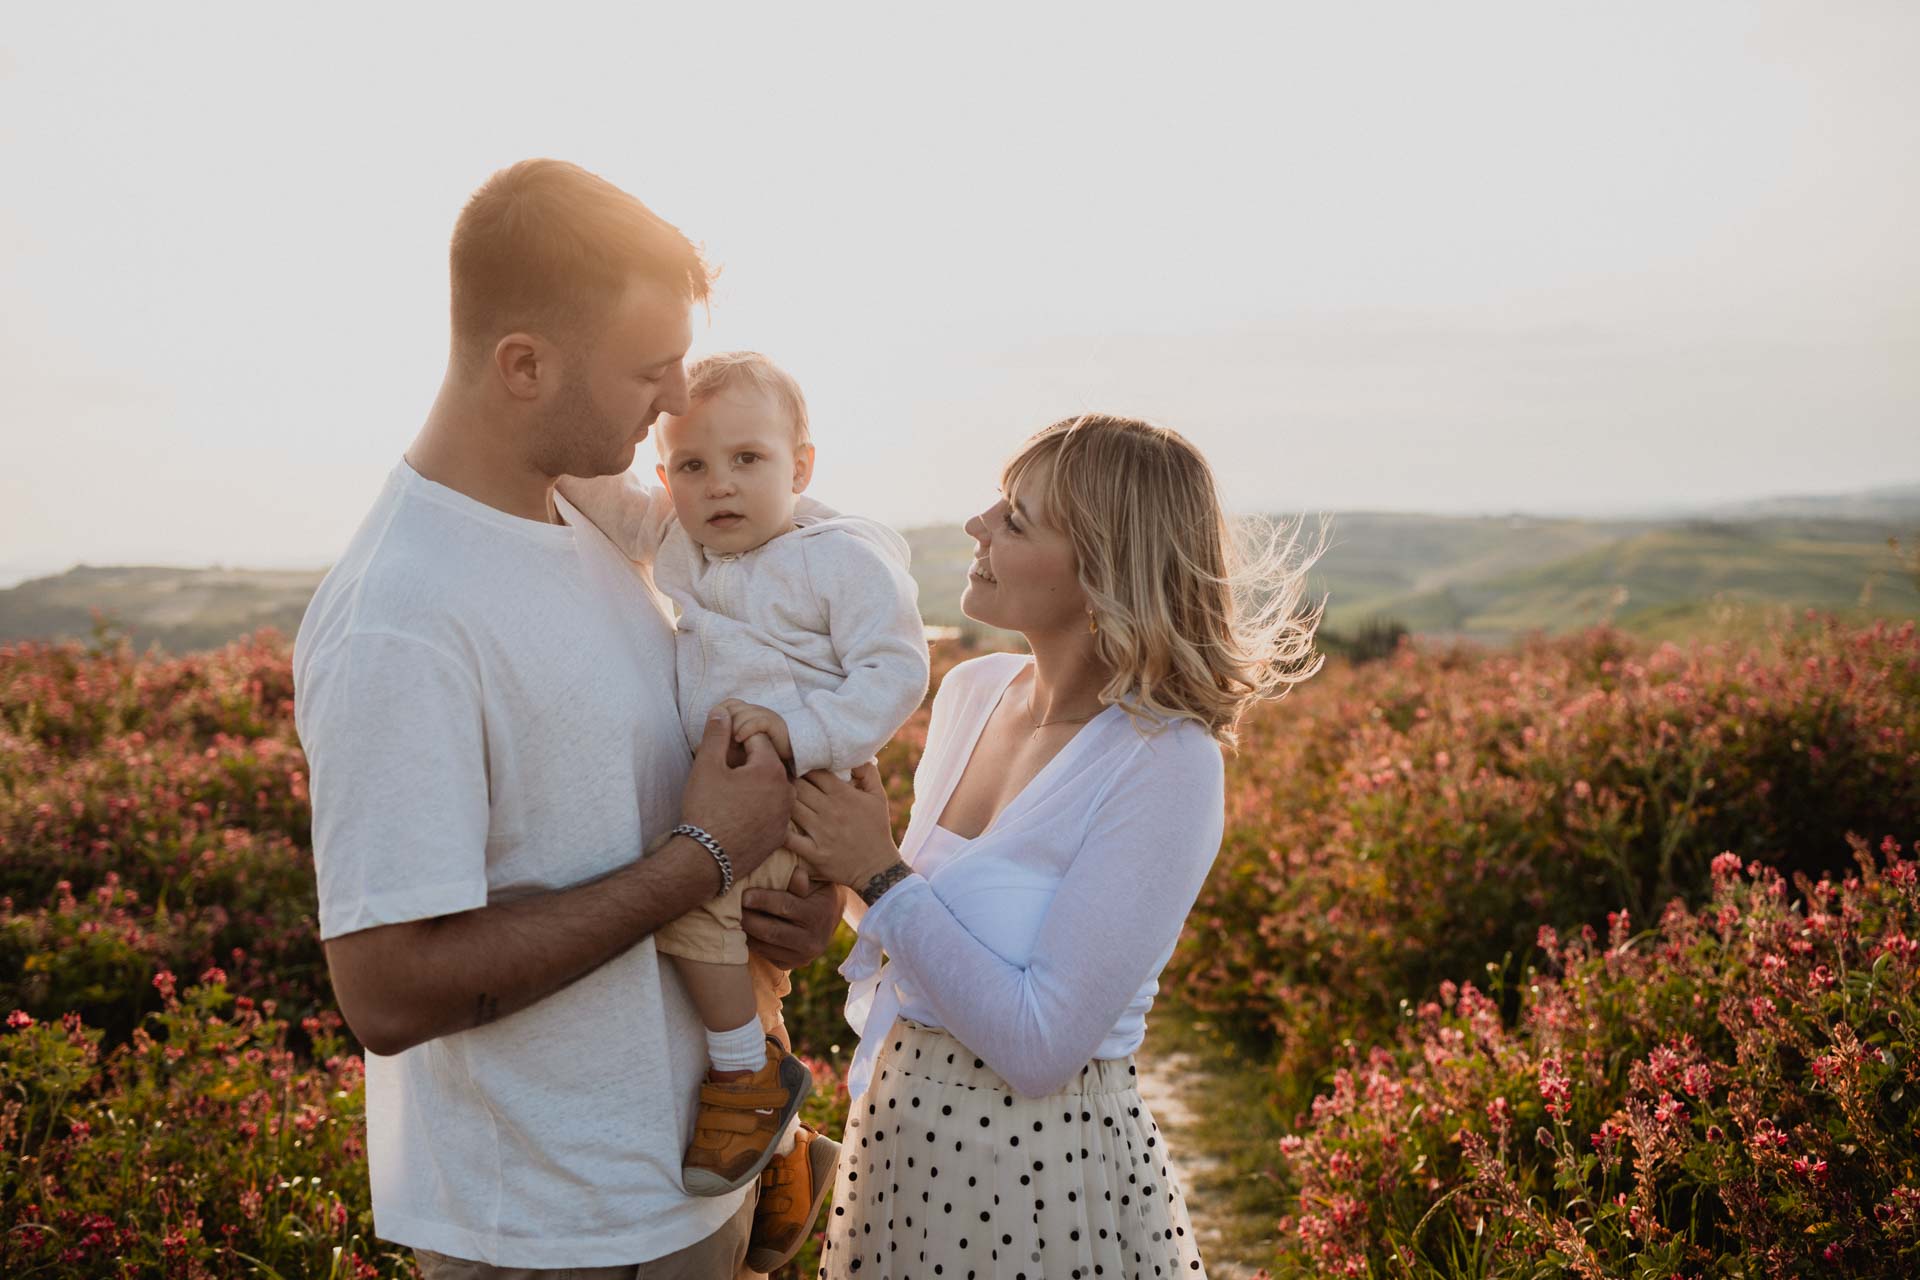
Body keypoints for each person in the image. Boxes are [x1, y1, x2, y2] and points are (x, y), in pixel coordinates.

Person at [291, 159, 842, 1278]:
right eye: (651, 367)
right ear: (523, 365)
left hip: (692, 1187)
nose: (679, 396)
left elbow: (657, 805)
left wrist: (783, 902)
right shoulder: (400, 615)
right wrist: (700, 862)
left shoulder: (596, 526)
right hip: (552, 1232)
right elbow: (388, 988)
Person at [786, 414, 1323, 1279]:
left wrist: (878, 873)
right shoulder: (972, 692)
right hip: (894, 1147)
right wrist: (841, 870)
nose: (978, 527)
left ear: (1103, 569)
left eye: (1016, 518)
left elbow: (1041, 1046)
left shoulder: (1165, 762)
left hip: (1041, 1183)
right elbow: (913, 937)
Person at [556, 349, 929, 1268]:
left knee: (689, 912)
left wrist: (800, 732)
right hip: (742, 785)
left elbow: (896, 669)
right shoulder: (685, 540)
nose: (719, 485)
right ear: (667, 476)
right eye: (692, 465)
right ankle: (789, 1161)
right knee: (743, 958)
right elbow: (608, 499)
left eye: (748, 461)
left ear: (800, 466)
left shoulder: (836, 557)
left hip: (797, 785)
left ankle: (746, 1081)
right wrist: (549, 451)